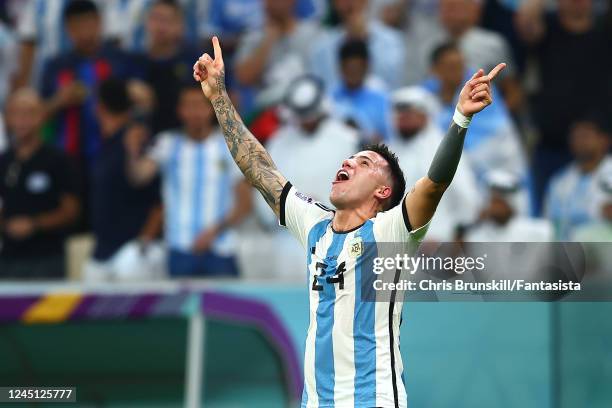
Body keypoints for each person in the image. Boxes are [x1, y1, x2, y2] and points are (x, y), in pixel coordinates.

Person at [194, 36, 505, 408]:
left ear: (383, 194)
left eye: (364, 164)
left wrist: (460, 118)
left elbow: (435, 183)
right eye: (349, 159)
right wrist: (218, 98)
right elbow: (258, 167)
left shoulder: (391, 232)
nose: (348, 163)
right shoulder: (314, 225)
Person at [127, 85, 252, 277]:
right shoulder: (166, 144)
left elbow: (245, 204)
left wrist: (215, 232)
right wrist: (133, 150)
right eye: (189, 106)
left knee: (225, 308)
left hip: (221, 249)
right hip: (180, 250)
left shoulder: (230, 147)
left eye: (200, 105)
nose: (195, 112)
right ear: (180, 111)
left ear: (211, 109)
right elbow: (138, 177)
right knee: (182, 308)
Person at [254, 74, 359, 279]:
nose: (307, 123)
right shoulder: (279, 141)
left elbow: (361, 189)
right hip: (288, 238)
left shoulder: (347, 140)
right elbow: (264, 185)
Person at [515, 0, 611, 212]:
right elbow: (526, 21)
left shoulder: (605, 26)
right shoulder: (547, 27)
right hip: (553, 143)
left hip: (600, 145)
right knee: (545, 213)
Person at [424, 42, 531, 213]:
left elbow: (499, 142)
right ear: (435, 70)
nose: (458, 72)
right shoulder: (424, 99)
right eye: (451, 66)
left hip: (490, 180)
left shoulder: (481, 92)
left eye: (460, 65)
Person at [39, 0, 147, 168]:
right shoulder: (55, 66)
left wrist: (131, 92)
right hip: (69, 157)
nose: (83, 32)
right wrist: (59, 100)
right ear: (68, 29)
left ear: (98, 22)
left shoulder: (119, 60)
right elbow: (39, 114)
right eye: (77, 26)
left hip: (115, 154)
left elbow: (145, 101)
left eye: (88, 24)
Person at [85, 78, 162, 281]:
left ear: (99, 107)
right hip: (102, 249)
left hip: (132, 250)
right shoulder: (106, 144)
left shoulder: (136, 140)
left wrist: (142, 245)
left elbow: (158, 201)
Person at [0, 88, 80, 279]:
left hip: (47, 258)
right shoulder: (4, 161)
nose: (22, 121)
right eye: (16, 113)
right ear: (8, 118)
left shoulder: (58, 160)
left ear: (42, 116)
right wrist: (7, 225)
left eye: (29, 113)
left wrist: (34, 224)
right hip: (8, 258)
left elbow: (72, 211)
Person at [388, 86, 480, 241]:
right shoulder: (389, 149)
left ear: (424, 115)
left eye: (408, 113)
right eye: (399, 113)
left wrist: (458, 231)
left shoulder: (444, 148)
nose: (402, 118)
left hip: (436, 240)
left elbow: (465, 194)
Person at [234, 0, 320, 109]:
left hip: (307, 104)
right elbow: (243, 78)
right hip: (269, 111)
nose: (276, 3)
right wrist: (268, 40)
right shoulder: (253, 37)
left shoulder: (311, 34)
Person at [137, 0, 203, 134]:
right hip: (150, 136)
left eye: (167, 20)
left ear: (180, 26)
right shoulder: (136, 62)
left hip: (188, 136)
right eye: (156, 19)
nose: (160, 26)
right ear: (147, 22)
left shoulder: (195, 60)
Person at [310, 0, 406, 90]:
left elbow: (396, 84)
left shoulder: (394, 42)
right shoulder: (321, 49)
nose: (349, 2)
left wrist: (365, 39)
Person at [544, 114, 612, 241]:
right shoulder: (559, 181)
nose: (580, 141)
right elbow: (548, 225)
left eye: (586, 135)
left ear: (604, 140)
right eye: (576, 136)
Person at [330, 38, 392, 142]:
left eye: (358, 68)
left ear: (367, 67)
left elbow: (390, 141)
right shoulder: (330, 99)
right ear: (340, 67)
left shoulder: (382, 101)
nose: (354, 73)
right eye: (349, 68)